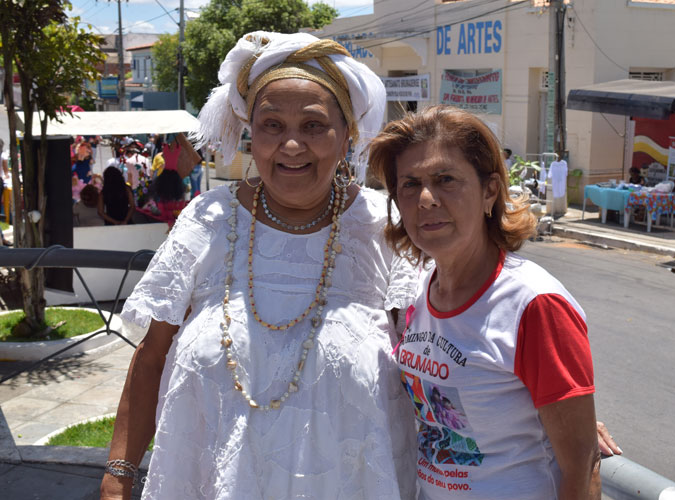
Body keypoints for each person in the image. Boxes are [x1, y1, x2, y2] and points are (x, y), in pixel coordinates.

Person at [100, 31, 418, 500]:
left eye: (313, 126)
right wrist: (119, 474)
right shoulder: (206, 220)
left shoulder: (386, 227)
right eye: (272, 125)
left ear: (347, 133)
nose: (291, 145)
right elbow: (151, 357)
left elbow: (433, 367)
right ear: (251, 131)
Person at [369, 105, 601, 499]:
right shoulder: (420, 289)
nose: (426, 199)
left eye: (445, 179)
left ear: (489, 191)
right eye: (409, 184)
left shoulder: (534, 305)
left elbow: (582, 467)